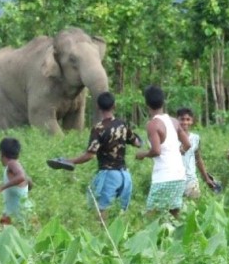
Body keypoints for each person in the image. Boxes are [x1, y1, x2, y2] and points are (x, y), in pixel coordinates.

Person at [57, 92, 142, 221]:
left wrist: (70, 161)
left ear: (98, 107)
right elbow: (137, 142)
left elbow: (90, 155)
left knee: (102, 211)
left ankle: (103, 237)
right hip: (125, 176)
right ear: (114, 106)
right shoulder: (122, 124)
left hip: (109, 175)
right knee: (120, 213)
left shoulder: (99, 128)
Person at [135, 85, 190, 218]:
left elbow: (156, 150)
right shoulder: (174, 121)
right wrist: (178, 152)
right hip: (179, 176)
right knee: (174, 215)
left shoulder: (153, 125)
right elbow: (187, 144)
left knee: (150, 218)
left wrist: (142, 154)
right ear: (163, 102)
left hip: (164, 177)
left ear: (146, 104)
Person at [0, 137, 33, 226]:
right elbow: (27, 179)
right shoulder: (15, 165)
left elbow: (21, 176)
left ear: (2, 153)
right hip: (13, 214)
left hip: (21, 216)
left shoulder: (12, 163)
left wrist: (1, 188)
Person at [176, 107, 216, 198]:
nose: (185, 122)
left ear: (191, 121)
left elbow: (198, 158)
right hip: (175, 179)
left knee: (195, 208)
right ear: (177, 120)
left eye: (188, 119)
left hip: (191, 180)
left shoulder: (195, 138)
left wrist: (206, 178)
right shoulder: (171, 138)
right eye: (182, 119)